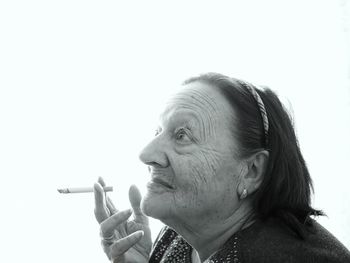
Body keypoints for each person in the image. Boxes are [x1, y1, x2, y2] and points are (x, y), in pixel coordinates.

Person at [93, 73, 350, 263]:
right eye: (158, 131)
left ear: (251, 171)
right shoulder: (187, 237)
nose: (146, 154)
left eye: (182, 135)